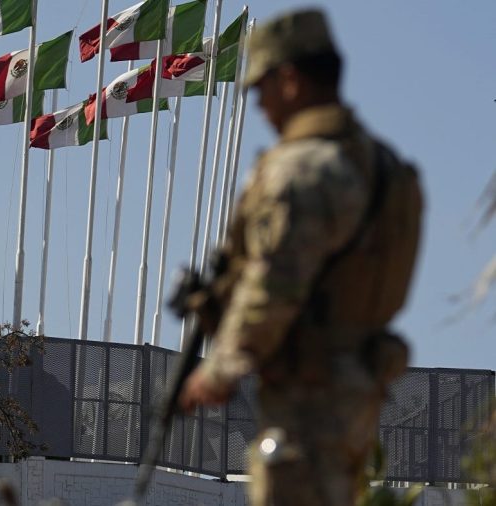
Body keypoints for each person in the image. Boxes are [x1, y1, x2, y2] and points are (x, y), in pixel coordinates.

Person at [177, 8, 423, 506]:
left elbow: (276, 282)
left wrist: (219, 368)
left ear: (289, 80)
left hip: (307, 398)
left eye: (260, 87)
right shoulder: (384, 165)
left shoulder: (301, 172)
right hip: (357, 388)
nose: (261, 104)